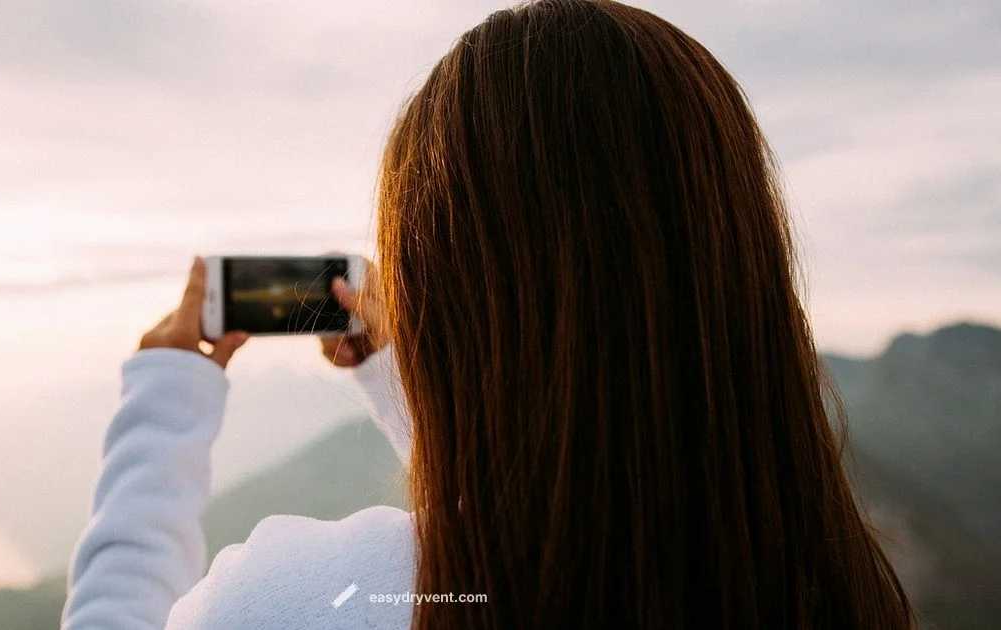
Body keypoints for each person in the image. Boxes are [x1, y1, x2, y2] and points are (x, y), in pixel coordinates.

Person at [61, 1, 916, 628]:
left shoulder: (301, 601)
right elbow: (556, 517)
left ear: (442, 293)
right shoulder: (824, 586)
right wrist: (404, 382)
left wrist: (165, 399)